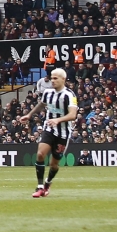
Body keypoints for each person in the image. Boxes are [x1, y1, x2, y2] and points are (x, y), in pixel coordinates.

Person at [18, 68, 78, 198]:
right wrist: (29, 115)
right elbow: (41, 104)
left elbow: (73, 115)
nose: (53, 80)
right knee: (40, 154)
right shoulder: (48, 93)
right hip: (49, 129)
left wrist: (58, 120)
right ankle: (39, 187)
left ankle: (47, 184)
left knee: (54, 164)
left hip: (63, 133)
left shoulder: (69, 95)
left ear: (63, 79)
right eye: (51, 78)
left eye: (56, 78)